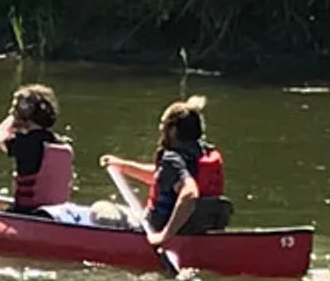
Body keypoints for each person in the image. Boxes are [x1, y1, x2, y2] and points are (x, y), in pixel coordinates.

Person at [99, 95, 233, 245]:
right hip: (198, 230)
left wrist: (163, 236)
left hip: (152, 229)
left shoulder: (172, 159)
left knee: (99, 210)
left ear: (173, 130)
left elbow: (190, 193)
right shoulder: (202, 153)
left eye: (163, 124)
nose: (161, 129)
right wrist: (122, 165)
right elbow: (162, 178)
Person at [0, 82, 74, 213]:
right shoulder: (62, 143)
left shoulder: (24, 144)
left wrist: (13, 117)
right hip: (57, 213)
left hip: (27, 211)